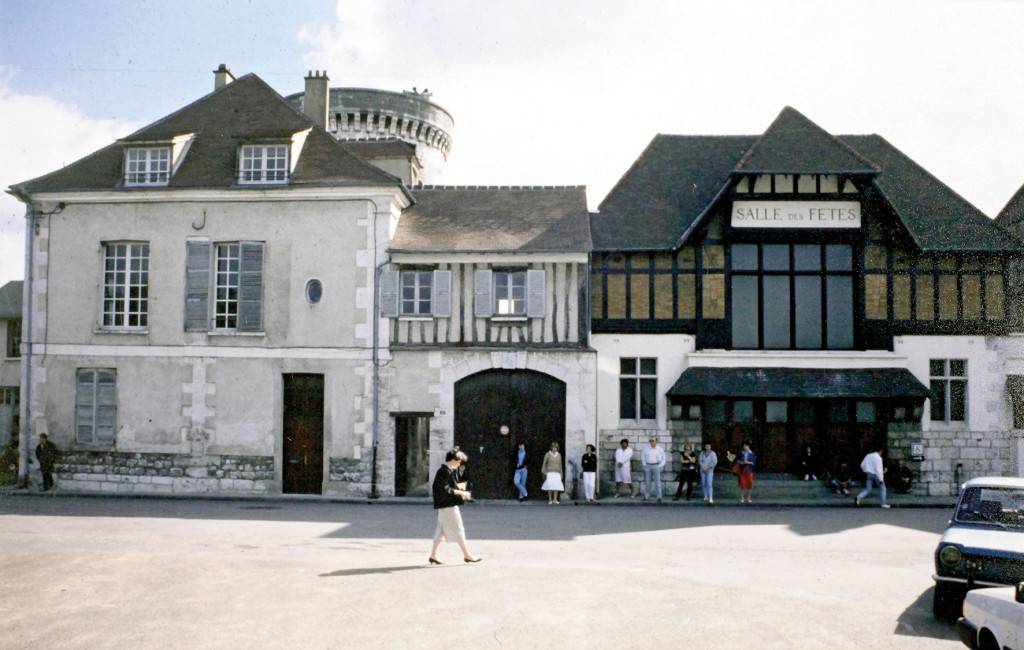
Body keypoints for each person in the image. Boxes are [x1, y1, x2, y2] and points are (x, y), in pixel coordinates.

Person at [429, 449, 481, 564]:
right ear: (454, 460)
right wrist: (463, 493)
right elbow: (447, 489)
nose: (459, 465)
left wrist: (459, 486)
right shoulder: (444, 472)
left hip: (444, 505)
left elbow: (447, 487)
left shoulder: (445, 471)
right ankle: (467, 555)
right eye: (459, 462)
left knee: (441, 529)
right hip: (448, 505)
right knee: (458, 529)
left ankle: (433, 555)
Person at [641, 436, 666, 503]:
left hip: (656, 465)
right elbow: (643, 457)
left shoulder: (659, 449)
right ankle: (646, 496)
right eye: (651, 441)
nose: (652, 442)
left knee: (657, 482)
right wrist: (645, 465)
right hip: (648, 465)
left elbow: (664, 458)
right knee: (647, 482)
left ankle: (659, 497)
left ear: (656, 441)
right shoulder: (646, 449)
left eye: (653, 441)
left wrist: (659, 466)